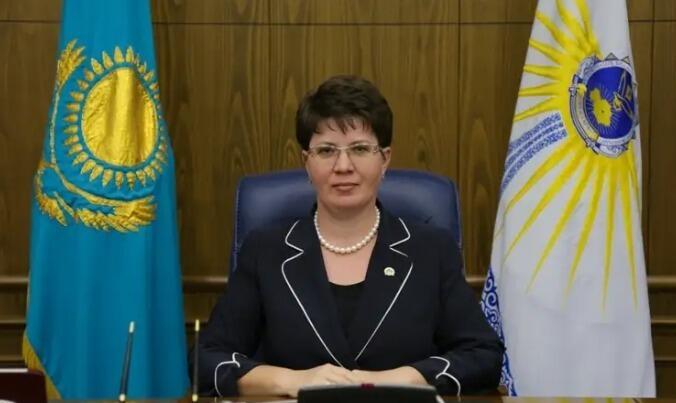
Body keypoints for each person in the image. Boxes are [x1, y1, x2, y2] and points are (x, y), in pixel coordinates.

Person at [192, 75, 503, 397]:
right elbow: (206, 360)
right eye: (327, 150)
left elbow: (483, 356)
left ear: (385, 159)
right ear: (306, 162)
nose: (343, 166)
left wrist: (405, 378)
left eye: (360, 149)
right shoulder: (266, 251)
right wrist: (290, 381)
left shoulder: (431, 250)